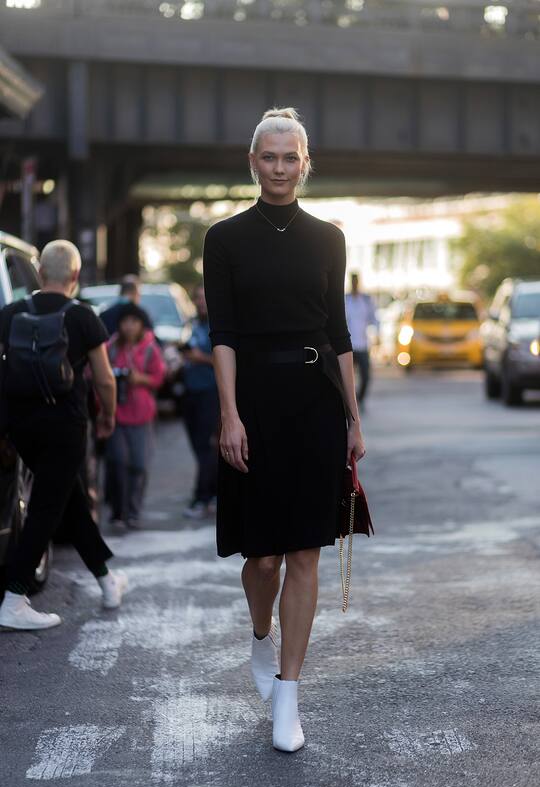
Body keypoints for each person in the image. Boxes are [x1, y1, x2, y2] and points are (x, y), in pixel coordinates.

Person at [203, 107, 365, 753]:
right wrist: (229, 413)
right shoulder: (225, 237)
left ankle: (289, 697)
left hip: (316, 403)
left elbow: (339, 334)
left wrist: (353, 419)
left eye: (289, 157)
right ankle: (261, 636)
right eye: (268, 157)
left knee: (305, 551)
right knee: (262, 556)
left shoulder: (329, 236)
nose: (279, 167)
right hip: (256, 404)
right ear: (253, 163)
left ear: (305, 163)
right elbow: (223, 335)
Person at [0, 240, 127, 631]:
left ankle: (107, 581)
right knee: (47, 508)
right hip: (65, 425)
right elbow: (104, 379)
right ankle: (13, 599)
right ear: (74, 276)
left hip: (21, 424)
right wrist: (108, 416)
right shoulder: (84, 317)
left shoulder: (10, 313)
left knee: (66, 498)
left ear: (40, 274)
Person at [106, 303, 165, 531]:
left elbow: (159, 378)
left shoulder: (150, 348)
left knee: (139, 465)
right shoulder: (111, 347)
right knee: (118, 463)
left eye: (134, 322)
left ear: (141, 324)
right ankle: (118, 512)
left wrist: (139, 379)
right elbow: (96, 373)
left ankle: (133, 511)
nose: (129, 326)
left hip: (142, 416)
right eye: (125, 322)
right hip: (116, 414)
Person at [182, 285, 219, 520]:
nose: (201, 302)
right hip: (190, 392)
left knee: (206, 445)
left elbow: (224, 360)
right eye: (198, 298)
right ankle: (212, 491)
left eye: (205, 298)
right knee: (198, 446)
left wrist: (200, 358)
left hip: (210, 392)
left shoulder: (218, 326)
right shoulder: (192, 324)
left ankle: (202, 497)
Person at [345, 272, 378, 406]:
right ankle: (349, 400)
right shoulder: (345, 299)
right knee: (347, 376)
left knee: (366, 376)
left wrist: (377, 334)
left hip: (363, 344)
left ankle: (360, 399)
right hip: (348, 345)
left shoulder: (366, 300)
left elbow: (374, 319)